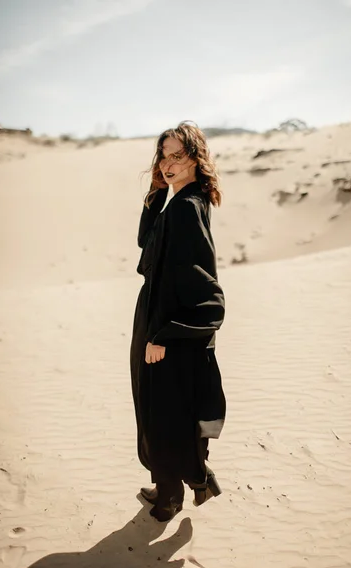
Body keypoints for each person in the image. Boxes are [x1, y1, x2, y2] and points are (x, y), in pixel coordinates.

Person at [130, 121, 226, 522]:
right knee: (165, 409)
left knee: (163, 415)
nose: (168, 164)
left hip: (166, 328)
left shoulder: (186, 208)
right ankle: (194, 479)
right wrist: (156, 192)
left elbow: (204, 289)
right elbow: (147, 246)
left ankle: (171, 497)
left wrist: (163, 335)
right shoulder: (180, 200)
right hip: (158, 319)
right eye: (163, 156)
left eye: (177, 156)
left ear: (195, 158)